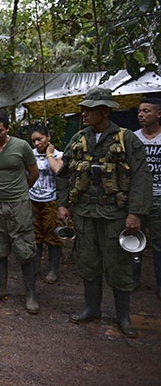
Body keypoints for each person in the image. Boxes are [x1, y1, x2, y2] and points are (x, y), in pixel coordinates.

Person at [57, 88, 152, 338]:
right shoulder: (78, 138)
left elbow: (142, 176)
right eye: (84, 109)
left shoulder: (127, 139)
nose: (84, 113)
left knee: (118, 264)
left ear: (105, 112)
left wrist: (135, 212)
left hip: (115, 214)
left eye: (90, 109)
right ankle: (91, 308)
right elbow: (64, 173)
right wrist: (62, 204)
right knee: (88, 261)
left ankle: (123, 316)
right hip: (85, 212)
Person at [0, 109, 40, 314]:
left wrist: (20, 192)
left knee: (25, 248)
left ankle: (30, 295)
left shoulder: (21, 147)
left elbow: (33, 173)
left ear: (7, 129)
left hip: (18, 204)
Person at [29, 125, 64, 283]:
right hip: (33, 199)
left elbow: (59, 170)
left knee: (52, 234)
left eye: (40, 139)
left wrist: (49, 154)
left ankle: (53, 270)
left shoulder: (58, 155)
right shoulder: (30, 154)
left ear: (48, 137)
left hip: (51, 200)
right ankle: (35, 267)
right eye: (34, 140)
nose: (37, 143)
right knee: (35, 235)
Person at [134, 96, 161, 298]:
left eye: (146, 111)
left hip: (160, 197)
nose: (141, 115)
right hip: (139, 198)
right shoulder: (133, 139)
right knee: (134, 239)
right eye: (139, 112)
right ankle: (132, 280)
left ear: (158, 114)